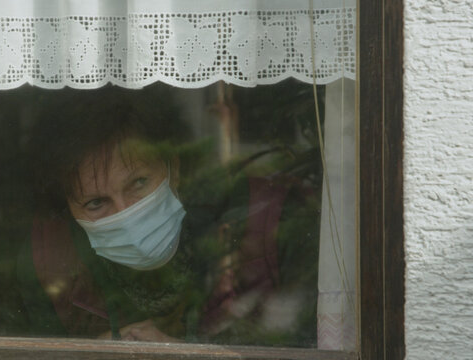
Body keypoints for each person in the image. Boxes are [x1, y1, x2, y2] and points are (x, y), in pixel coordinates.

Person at [20, 85, 319, 345]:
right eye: (97, 203)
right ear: (69, 211)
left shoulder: (266, 222)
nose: (127, 214)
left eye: (138, 183)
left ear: (173, 169)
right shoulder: (47, 264)